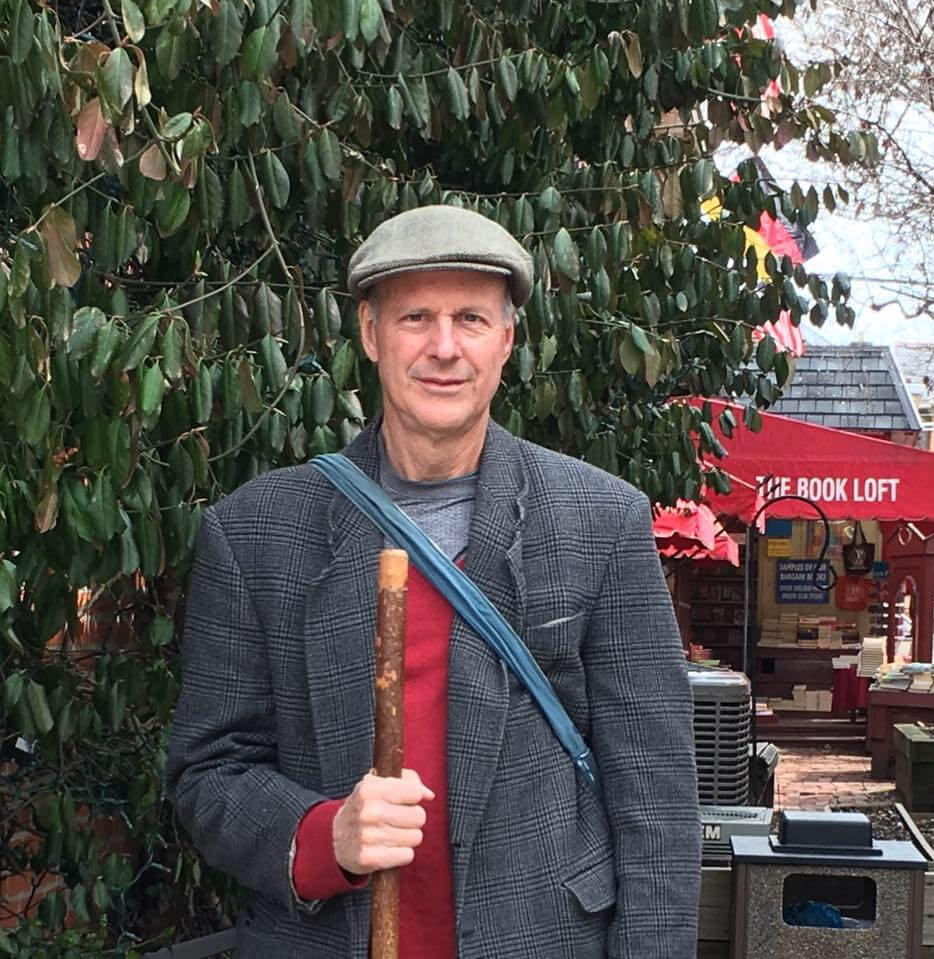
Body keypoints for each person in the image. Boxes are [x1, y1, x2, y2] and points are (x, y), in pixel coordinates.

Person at [165, 205, 701, 959]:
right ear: (370, 332)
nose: (444, 348)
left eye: (471, 319)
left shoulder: (599, 521)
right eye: (416, 316)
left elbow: (657, 801)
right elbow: (208, 771)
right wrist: (325, 837)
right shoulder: (256, 531)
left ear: (508, 338)